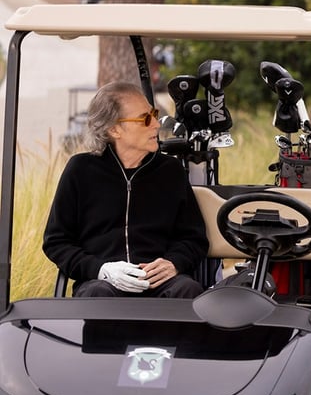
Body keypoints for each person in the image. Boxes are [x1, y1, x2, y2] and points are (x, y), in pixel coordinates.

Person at [43, 82, 208, 298]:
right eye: (145, 119)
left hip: (160, 283)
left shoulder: (171, 170)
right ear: (114, 129)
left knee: (188, 289)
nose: (156, 125)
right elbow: (56, 242)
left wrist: (173, 263)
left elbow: (194, 239)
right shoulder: (81, 170)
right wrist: (100, 270)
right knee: (96, 294)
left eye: (154, 114)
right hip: (102, 283)